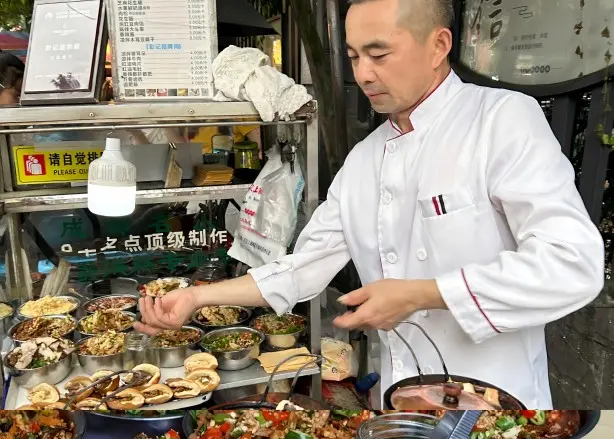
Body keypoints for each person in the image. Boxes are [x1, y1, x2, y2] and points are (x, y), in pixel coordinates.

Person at [135, 0, 605, 408]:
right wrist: (196, 298)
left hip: (496, 401)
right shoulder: (365, 158)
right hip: (402, 400)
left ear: (438, 46)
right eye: (355, 56)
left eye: (379, 54)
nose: (363, 73)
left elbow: (572, 264)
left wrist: (421, 294)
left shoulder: (501, 120)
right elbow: (303, 267)